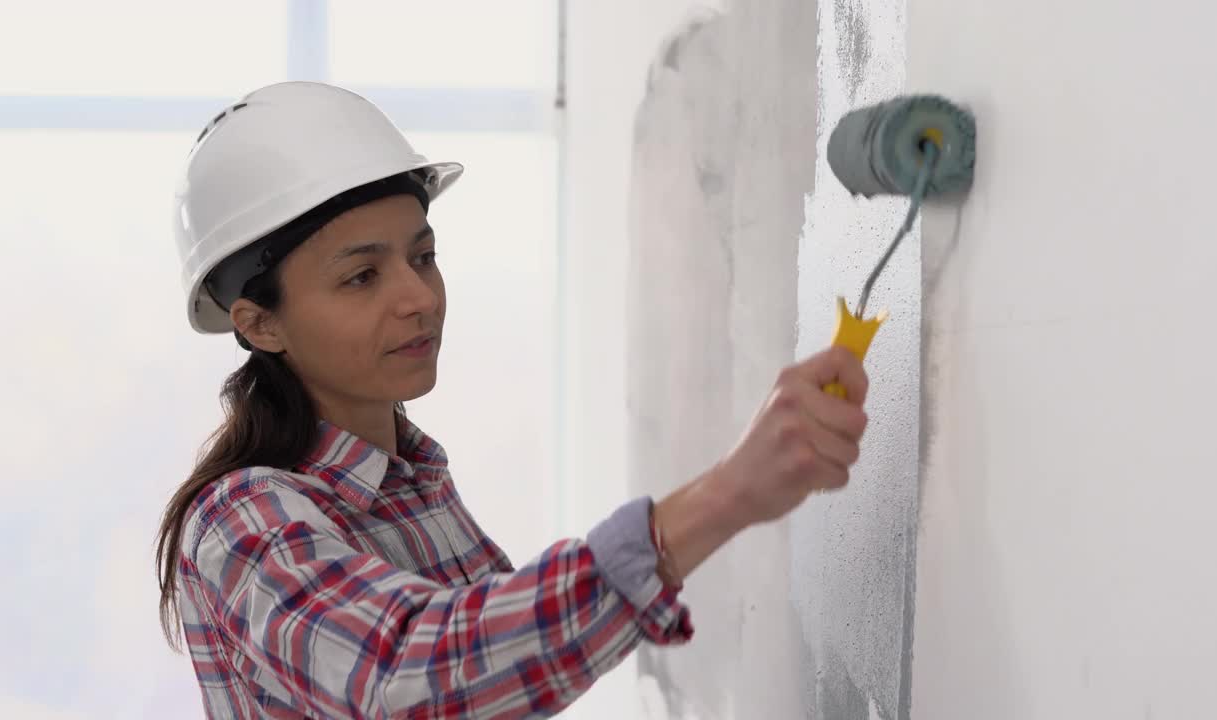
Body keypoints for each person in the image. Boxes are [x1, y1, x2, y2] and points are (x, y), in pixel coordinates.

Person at [155, 81, 870, 719]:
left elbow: (496, 671)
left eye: (422, 256)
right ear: (260, 323)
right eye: (361, 277)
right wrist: (726, 497)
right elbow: (413, 680)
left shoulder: (413, 484)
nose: (417, 297)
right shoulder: (241, 521)